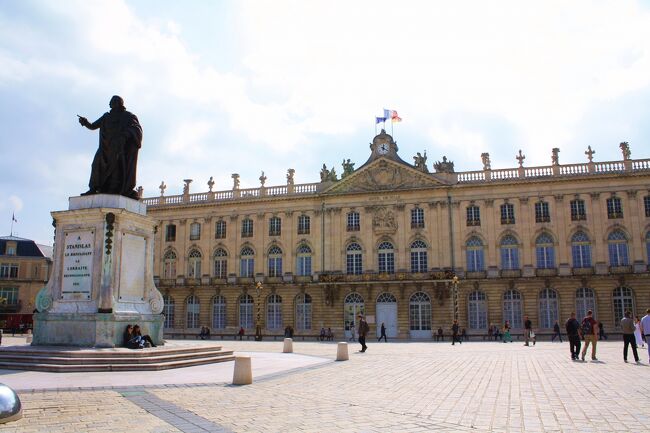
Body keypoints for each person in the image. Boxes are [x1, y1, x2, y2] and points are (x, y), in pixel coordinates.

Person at [78, 95, 143, 199]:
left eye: (113, 102)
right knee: (96, 165)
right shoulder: (106, 116)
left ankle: (114, 189)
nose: (110, 104)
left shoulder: (128, 116)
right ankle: (93, 188)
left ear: (119, 103)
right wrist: (85, 123)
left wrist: (125, 135)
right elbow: (93, 125)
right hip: (105, 147)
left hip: (118, 148)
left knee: (116, 169)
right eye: (111, 102)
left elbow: (136, 128)